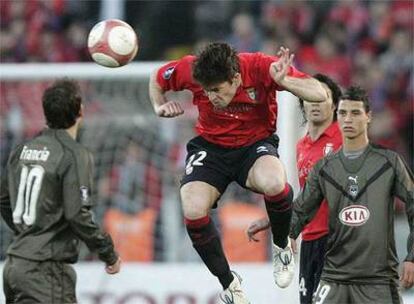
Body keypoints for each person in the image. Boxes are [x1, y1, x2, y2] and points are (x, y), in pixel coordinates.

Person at [148, 42, 327, 302]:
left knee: (275, 182)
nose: (212, 98)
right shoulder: (191, 68)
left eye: (217, 90)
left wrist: (286, 81)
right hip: (211, 148)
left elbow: (319, 92)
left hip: (254, 145)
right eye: (207, 91)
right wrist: (158, 105)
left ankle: (281, 246)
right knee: (192, 208)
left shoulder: (260, 67)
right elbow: (156, 78)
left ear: (235, 78)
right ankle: (229, 284)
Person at [0, 79, 121, 303]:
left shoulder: (22, 150)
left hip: (14, 265)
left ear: (45, 113)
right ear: (80, 111)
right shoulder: (74, 154)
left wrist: (29, 232)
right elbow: (78, 214)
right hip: (46, 270)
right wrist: (107, 252)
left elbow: (4, 200)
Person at [290, 86, 414, 303]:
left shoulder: (388, 163)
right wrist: (279, 226)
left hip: (378, 280)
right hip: (334, 277)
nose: (348, 119)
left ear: (368, 117)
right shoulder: (324, 168)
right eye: (343, 113)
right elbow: (300, 210)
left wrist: (412, 257)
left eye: (355, 113)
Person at [247, 73, 343, 303]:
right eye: (310, 98)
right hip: (309, 240)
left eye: (323, 98)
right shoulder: (302, 145)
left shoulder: (345, 139)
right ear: (302, 102)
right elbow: (308, 194)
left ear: (335, 104)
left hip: (338, 240)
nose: (316, 104)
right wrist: (279, 220)